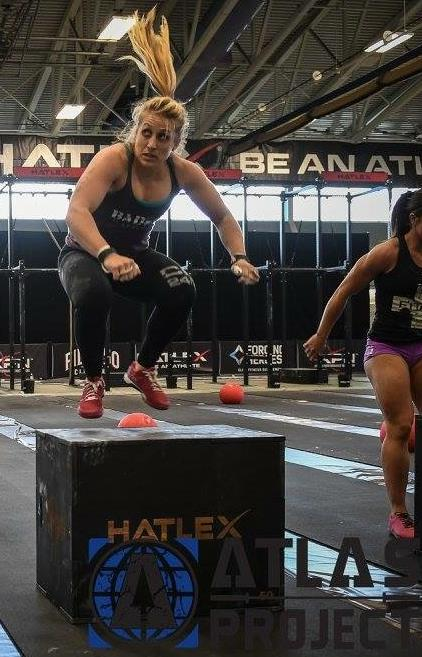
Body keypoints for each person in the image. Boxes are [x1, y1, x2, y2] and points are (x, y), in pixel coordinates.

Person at [58, 7, 259, 420]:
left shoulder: (184, 172)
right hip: (84, 252)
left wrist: (239, 257)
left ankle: (142, 368)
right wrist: (106, 254)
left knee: (182, 288)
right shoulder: (115, 159)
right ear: (136, 131)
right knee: (94, 295)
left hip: (134, 255)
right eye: (145, 133)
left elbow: (223, 217)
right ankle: (94, 380)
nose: (151, 143)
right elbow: (76, 211)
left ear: (175, 142)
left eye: (162, 137)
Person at [304, 188, 422, 539]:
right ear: (414, 220)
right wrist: (321, 335)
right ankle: (399, 512)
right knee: (400, 425)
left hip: (420, 345)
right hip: (387, 347)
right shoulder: (388, 253)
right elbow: (344, 290)